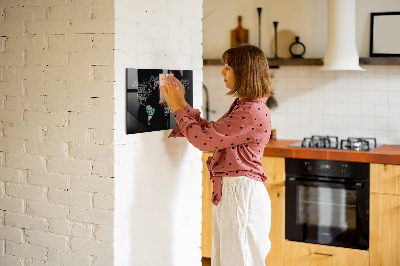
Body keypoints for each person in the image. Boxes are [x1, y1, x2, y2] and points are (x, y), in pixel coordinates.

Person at [161, 44, 273, 266]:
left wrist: (176, 107)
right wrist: (182, 104)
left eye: (228, 67)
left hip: (241, 195)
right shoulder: (246, 106)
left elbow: (204, 141)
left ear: (244, 72)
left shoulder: (250, 111)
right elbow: (212, 133)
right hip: (236, 193)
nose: (222, 72)